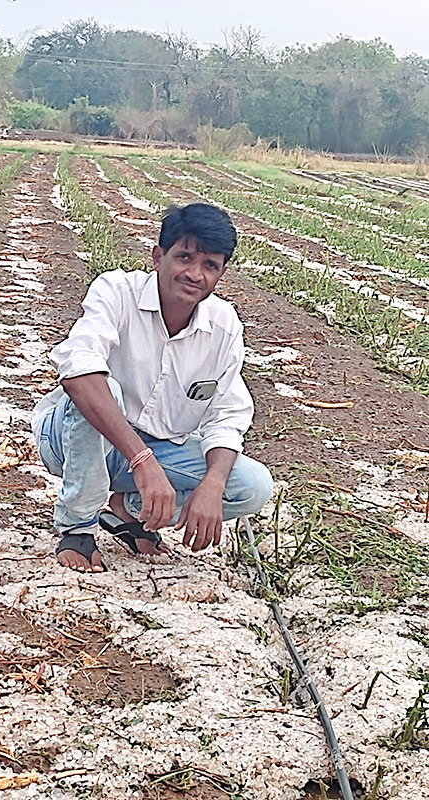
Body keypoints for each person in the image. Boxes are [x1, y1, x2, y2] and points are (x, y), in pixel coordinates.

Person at [31, 203, 273, 572]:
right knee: (99, 386)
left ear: (222, 273)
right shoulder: (116, 292)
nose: (195, 274)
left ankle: (129, 512)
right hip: (71, 440)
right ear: (158, 257)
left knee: (250, 486)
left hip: (158, 451)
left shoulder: (224, 327)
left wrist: (211, 484)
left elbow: (228, 414)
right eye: (184, 257)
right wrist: (141, 460)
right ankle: (77, 527)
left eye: (210, 265)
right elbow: (77, 372)